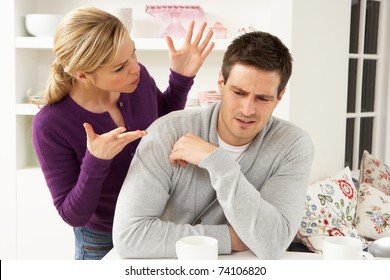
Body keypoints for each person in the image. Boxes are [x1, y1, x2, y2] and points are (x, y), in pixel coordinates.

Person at [31, 6, 214, 260]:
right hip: (101, 240)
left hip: (157, 222)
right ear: (82, 74)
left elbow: (161, 122)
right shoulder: (50, 124)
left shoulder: (137, 83)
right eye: (119, 68)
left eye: (133, 53)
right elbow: (73, 215)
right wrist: (96, 161)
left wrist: (181, 78)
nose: (135, 68)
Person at [113, 31, 314, 260]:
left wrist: (218, 162)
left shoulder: (293, 146)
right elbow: (129, 237)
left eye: (263, 98)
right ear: (221, 82)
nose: (247, 110)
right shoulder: (167, 132)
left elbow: (273, 242)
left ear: (279, 97)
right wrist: (229, 237)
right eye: (238, 92)